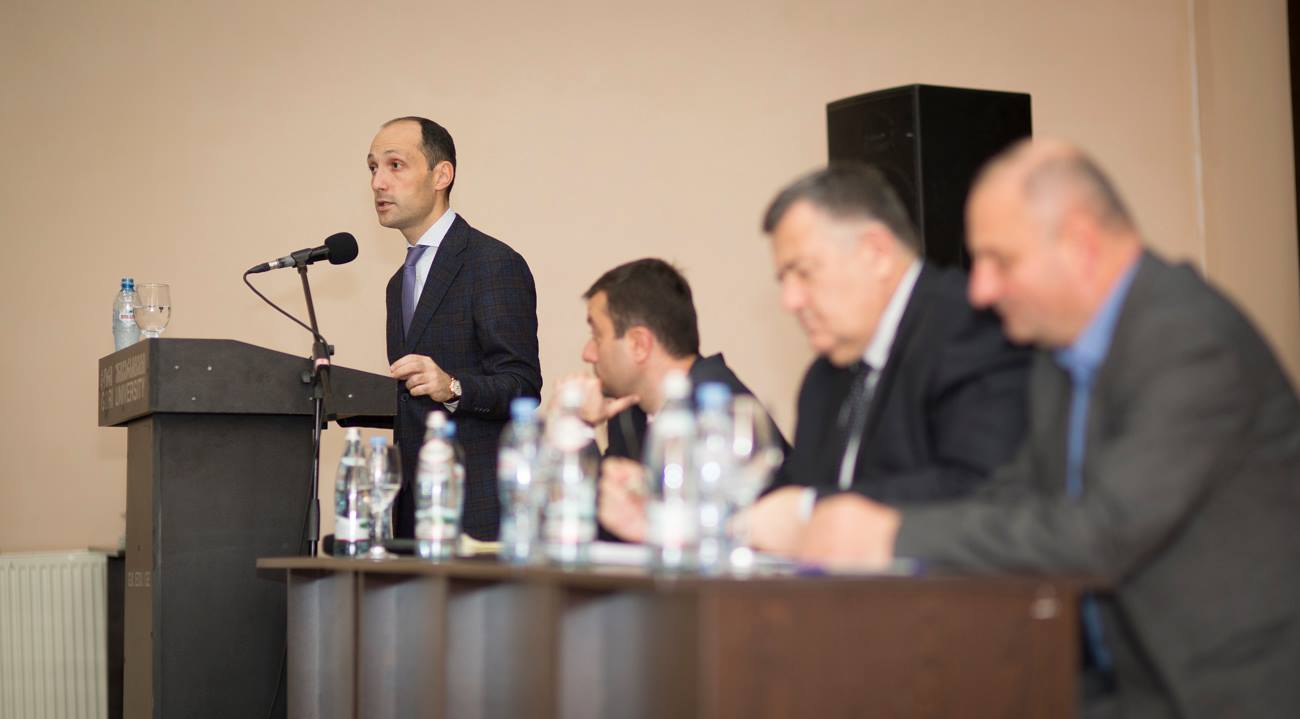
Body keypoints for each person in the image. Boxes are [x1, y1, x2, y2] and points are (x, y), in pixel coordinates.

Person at [796, 140, 1300, 717]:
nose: (980, 290)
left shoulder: (1189, 343)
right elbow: (1013, 492)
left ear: (1081, 245)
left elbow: (1102, 532)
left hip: (1228, 690)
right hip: (1114, 679)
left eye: (1000, 261)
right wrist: (865, 527)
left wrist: (892, 536)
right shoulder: (1058, 348)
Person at [668, 164, 1030, 551]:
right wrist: (683, 512)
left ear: (876, 253)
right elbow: (787, 499)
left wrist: (811, 510)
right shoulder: (825, 376)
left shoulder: (971, 326)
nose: (790, 301)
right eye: (784, 280)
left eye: (804, 273)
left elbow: (980, 489)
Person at [368, 116, 542, 540]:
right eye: (373, 168)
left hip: (475, 509)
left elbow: (522, 385)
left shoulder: (492, 263)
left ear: (441, 175)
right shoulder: (397, 284)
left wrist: (453, 387)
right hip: (412, 510)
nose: (377, 183)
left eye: (395, 165)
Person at [572, 259, 786, 541]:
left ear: (639, 344)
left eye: (597, 336)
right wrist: (578, 428)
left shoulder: (721, 417)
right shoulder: (630, 412)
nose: (587, 353)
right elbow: (600, 527)